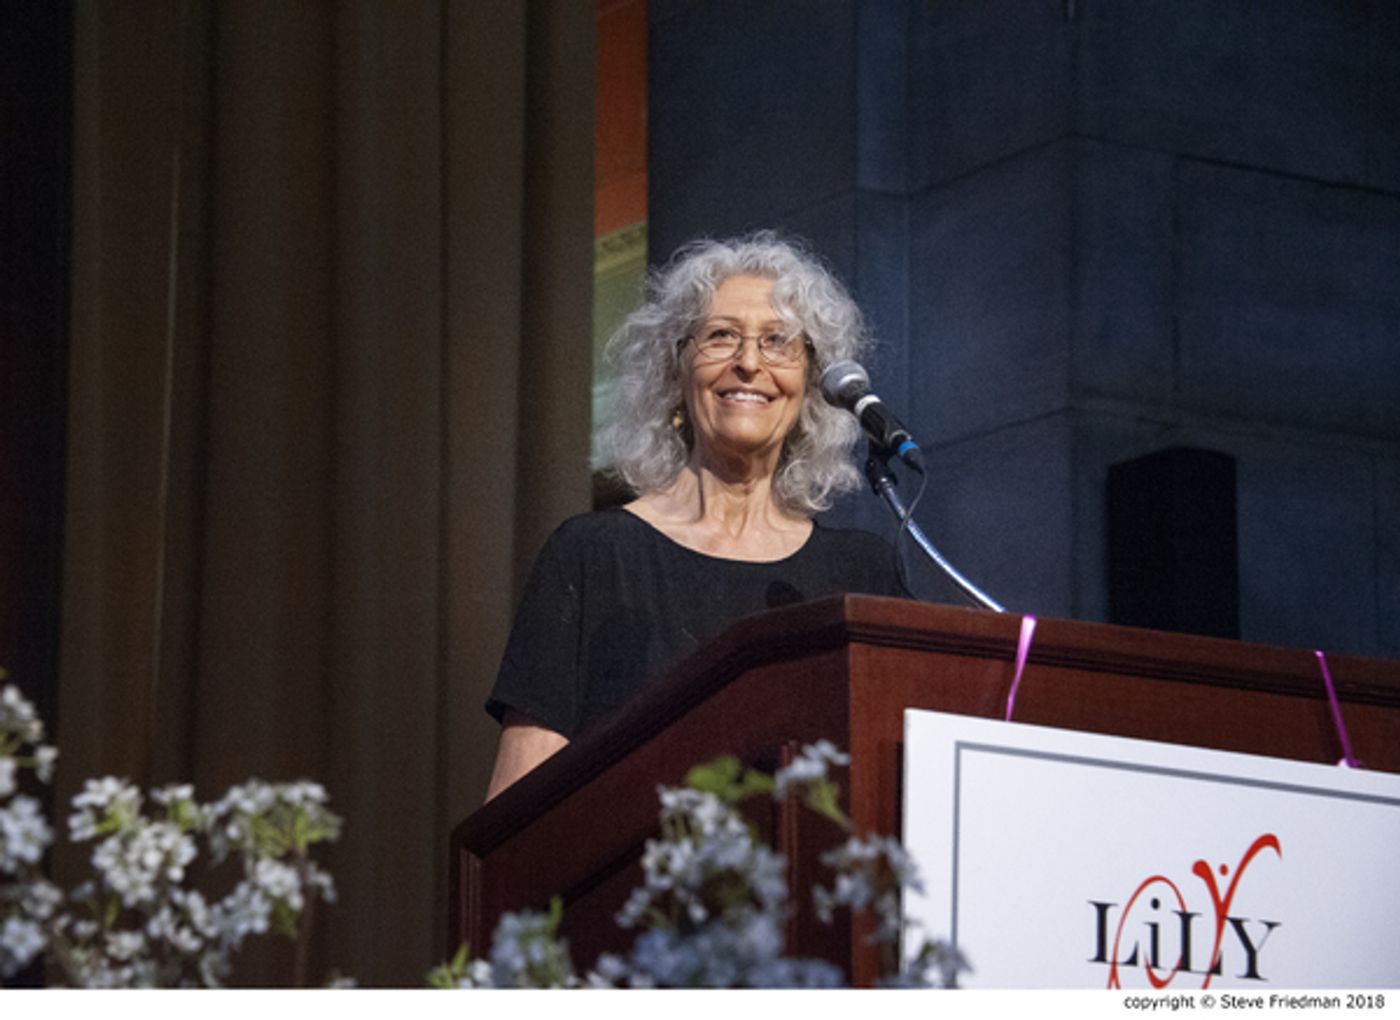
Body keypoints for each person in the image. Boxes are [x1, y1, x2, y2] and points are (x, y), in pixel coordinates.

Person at [483, 232, 907, 800]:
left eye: (778, 341)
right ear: (676, 373)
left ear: (809, 384)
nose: (749, 363)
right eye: (722, 336)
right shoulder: (592, 556)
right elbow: (516, 810)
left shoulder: (862, 572)